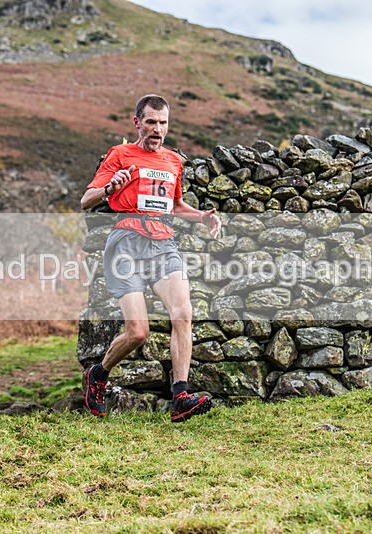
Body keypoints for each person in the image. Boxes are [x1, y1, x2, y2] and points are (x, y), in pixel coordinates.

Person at [80, 94, 222, 422]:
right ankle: (98, 375)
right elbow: (86, 200)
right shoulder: (119, 155)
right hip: (126, 245)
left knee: (183, 314)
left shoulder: (173, 161)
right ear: (137, 123)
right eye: (151, 122)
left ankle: (180, 397)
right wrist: (109, 189)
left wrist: (202, 217)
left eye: (163, 123)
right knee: (138, 332)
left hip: (162, 245)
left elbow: (175, 205)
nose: (157, 129)